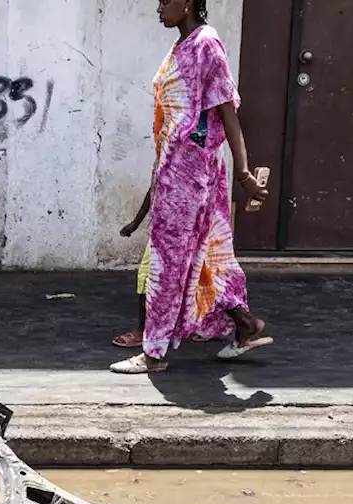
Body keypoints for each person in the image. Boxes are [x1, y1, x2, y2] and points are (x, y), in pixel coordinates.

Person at [110, 0, 271, 374]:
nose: (159, 7)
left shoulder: (206, 44)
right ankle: (246, 325)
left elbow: (228, 111)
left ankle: (154, 353)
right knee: (208, 258)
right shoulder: (181, 47)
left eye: (167, 0)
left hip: (192, 176)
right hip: (177, 171)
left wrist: (244, 173)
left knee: (168, 264)